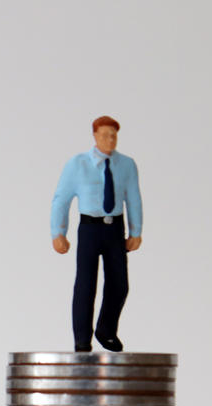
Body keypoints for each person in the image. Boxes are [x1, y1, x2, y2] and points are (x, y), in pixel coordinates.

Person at [50, 115, 144, 352]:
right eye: (104, 135)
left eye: (114, 135)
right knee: (85, 284)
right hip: (90, 228)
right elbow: (61, 199)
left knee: (119, 283)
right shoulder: (77, 164)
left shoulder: (127, 165)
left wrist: (136, 231)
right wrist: (58, 232)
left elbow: (133, 199)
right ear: (94, 136)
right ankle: (82, 338)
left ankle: (106, 329)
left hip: (115, 229)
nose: (110, 139)